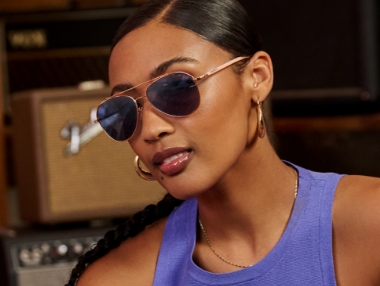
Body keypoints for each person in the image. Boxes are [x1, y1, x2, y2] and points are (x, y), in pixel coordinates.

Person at [66, 0, 380, 285]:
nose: (150, 129)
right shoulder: (119, 279)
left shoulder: (371, 223)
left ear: (257, 76)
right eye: (123, 110)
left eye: (177, 88)